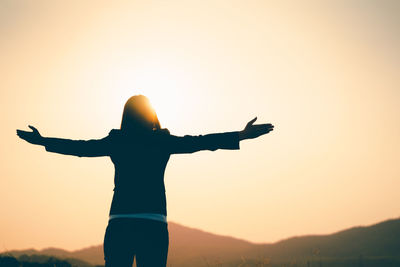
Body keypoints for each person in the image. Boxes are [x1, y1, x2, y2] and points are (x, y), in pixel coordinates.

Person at [16, 94, 274, 267]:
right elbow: (201, 142)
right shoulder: (162, 141)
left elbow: (80, 148)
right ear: (151, 115)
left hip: (120, 223)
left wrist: (42, 141)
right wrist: (241, 135)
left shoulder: (117, 141)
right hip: (153, 224)